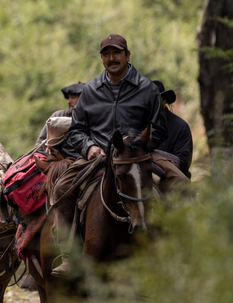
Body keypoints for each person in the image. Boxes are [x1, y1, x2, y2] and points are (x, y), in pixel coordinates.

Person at [50, 34, 188, 276]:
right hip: (99, 155)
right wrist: (89, 147)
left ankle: (178, 253)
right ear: (102, 58)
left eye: (116, 53)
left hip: (137, 155)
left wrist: (137, 145)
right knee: (62, 187)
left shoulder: (146, 89)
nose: (111, 58)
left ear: (127, 55)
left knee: (180, 183)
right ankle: (69, 253)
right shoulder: (91, 90)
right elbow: (77, 130)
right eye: (106, 54)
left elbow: (160, 128)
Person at [152, 80, 193, 179]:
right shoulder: (137, 124)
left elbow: (183, 163)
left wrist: (154, 158)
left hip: (169, 180)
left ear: (164, 101)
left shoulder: (180, 127)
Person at [35, 82, 84, 152]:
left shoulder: (92, 117)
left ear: (83, 99)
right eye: (68, 98)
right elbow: (40, 144)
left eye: (72, 97)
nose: (68, 101)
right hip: (55, 157)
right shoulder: (58, 116)